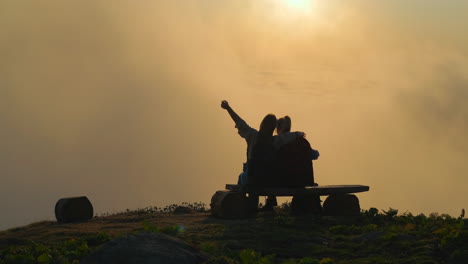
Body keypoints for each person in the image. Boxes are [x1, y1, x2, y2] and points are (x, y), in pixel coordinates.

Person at [220, 100, 304, 211]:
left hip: (253, 178)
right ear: (274, 128)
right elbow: (287, 136)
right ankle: (268, 204)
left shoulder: (253, 136)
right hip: (269, 180)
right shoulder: (275, 141)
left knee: (242, 178)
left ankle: (246, 206)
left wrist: (228, 108)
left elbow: (239, 122)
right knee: (269, 171)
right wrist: (298, 133)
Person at [263, 116, 320, 211]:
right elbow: (315, 155)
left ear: (278, 128)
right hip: (304, 181)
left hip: (284, 182)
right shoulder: (302, 140)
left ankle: (270, 203)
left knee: (269, 172)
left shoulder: (276, 141)